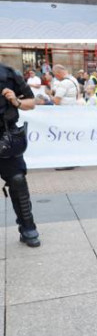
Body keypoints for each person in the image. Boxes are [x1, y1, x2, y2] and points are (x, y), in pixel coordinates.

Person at [0, 63, 40, 247]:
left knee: (17, 180)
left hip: (6, 137)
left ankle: (28, 227)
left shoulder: (9, 73)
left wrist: (16, 101)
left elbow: (31, 102)